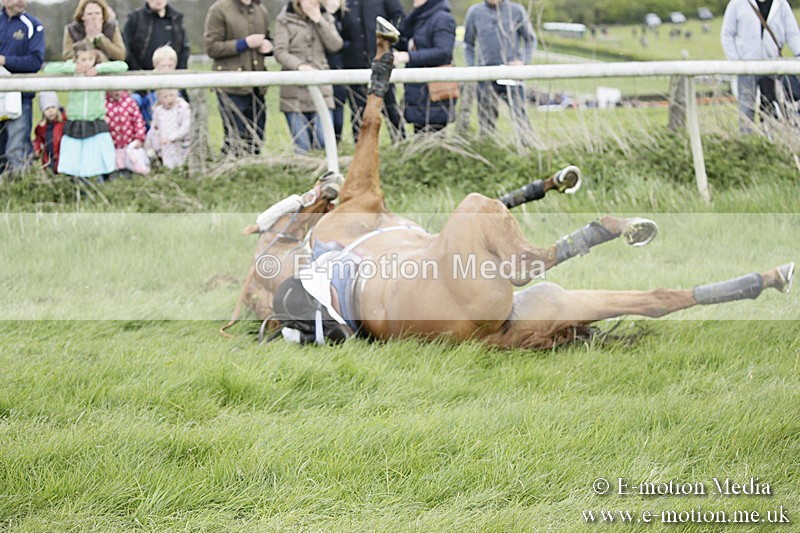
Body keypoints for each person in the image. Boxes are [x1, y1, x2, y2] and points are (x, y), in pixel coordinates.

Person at [44, 42, 127, 180]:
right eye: (83, 60)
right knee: (76, 164)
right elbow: (48, 69)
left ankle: (99, 190)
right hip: (76, 123)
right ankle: (77, 192)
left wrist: (99, 68)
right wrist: (73, 68)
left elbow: (123, 66)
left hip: (95, 122)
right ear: (76, 59)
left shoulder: (99, 71)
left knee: (97, 162)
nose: (87, 63)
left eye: (90, 59)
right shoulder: (73, 71)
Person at [204, 0, 272, 156]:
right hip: (231, 85)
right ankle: (231, 172)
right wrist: (243, 43)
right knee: (235, 139)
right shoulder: (218, 9)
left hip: (257, 85)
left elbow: (267, 38)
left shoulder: (260, 9)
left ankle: (252, 173)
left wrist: (269, 46)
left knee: (257, 138)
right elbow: (211, 47)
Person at [274, 0, 343, 153]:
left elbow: (335, 45)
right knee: (302, 145)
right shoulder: (284, 20)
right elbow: (280, 51)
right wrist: (300, 66)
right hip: (294, 90)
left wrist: (319, 21)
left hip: (321, 86)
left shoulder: (325, 17)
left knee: (324, 141)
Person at [463, 0, 536, 145]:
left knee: (520, 116)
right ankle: (488, 150)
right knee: (486, 120)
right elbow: (468, 44)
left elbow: (530, 40)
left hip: (511, 74)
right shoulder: (474, 12)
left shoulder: (516, 10)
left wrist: (522, 61)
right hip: (485, 75)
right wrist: (473, 69)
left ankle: (528, 149)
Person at [721, 0, 800, 131]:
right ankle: (747, 144)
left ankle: (772, 141)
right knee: (747, 108)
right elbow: (727, 34)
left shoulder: (781, 4)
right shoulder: (737, 4)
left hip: (773, 65)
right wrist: (735, 61)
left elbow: (792, 33)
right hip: (746, 67)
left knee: (773, 107)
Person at [338, 0, 405, 142]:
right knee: (358, 112)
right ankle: (361, 151)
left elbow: (398, 16)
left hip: (381, 60)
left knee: (391, 109)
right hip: (353, 62)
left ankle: (401, 145)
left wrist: (388, 40)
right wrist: (346, 46)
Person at [393, 0, 457, 133]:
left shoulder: (442, 19)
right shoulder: (419, 18)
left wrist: (409, 56)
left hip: (433, 89)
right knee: (420, 134)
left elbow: (443, 52)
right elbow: (405, 42)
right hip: (417, 89)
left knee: (434, 136)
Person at [0, 0, 45, 175]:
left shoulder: (33, 25)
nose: (21, 1)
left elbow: (35, 62)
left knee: (16, 149)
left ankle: (19, 191)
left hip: (21, 99)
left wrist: (5, 60)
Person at [122, 0, 190, 72]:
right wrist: (137, 71)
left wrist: (179, 73)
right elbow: (126, 48)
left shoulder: (176, 19)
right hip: (142, 77)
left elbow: (184, 49)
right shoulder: (135, 19)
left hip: (172, 76)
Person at [132, 45, 178, 128]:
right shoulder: (149, 80)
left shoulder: (176, 81)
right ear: (156, 66)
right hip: (151, 115)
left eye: (170, 66)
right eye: (163, 66)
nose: (166, 69)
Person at [105, 90, 148, 176]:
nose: (116, 93)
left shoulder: (129, 102)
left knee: (133, 164)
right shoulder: (105, 104)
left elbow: (138, 120)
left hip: (129, 144)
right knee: (115, 167)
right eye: (113, 91)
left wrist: (139, 137)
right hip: (112, 145)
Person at [145, 88, 191, 169]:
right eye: (165, 97)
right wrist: (151, 143)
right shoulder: (158, 111)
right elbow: (154, 128)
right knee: (168, 164)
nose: (169, 99)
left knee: (181, 163)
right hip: (165, 144)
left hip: (181, 143)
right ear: (159, 99)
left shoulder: (182, 108)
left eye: (171, 95)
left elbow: (186, 127)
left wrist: (172, 137)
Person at [324, 0, 347, 142]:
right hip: (322, 66)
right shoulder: (317, 13)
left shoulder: (346, 14)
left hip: (340, 67)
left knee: (338, 118)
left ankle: (336, 146)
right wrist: (328, 14)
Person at [32, 92, 66, 173]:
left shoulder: (64, 123)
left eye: (53, 107)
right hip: (48, 163)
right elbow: (38, 141)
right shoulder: (42, 127)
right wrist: (36, 150)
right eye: (47, 109)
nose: (50, 111)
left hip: (62, 162)